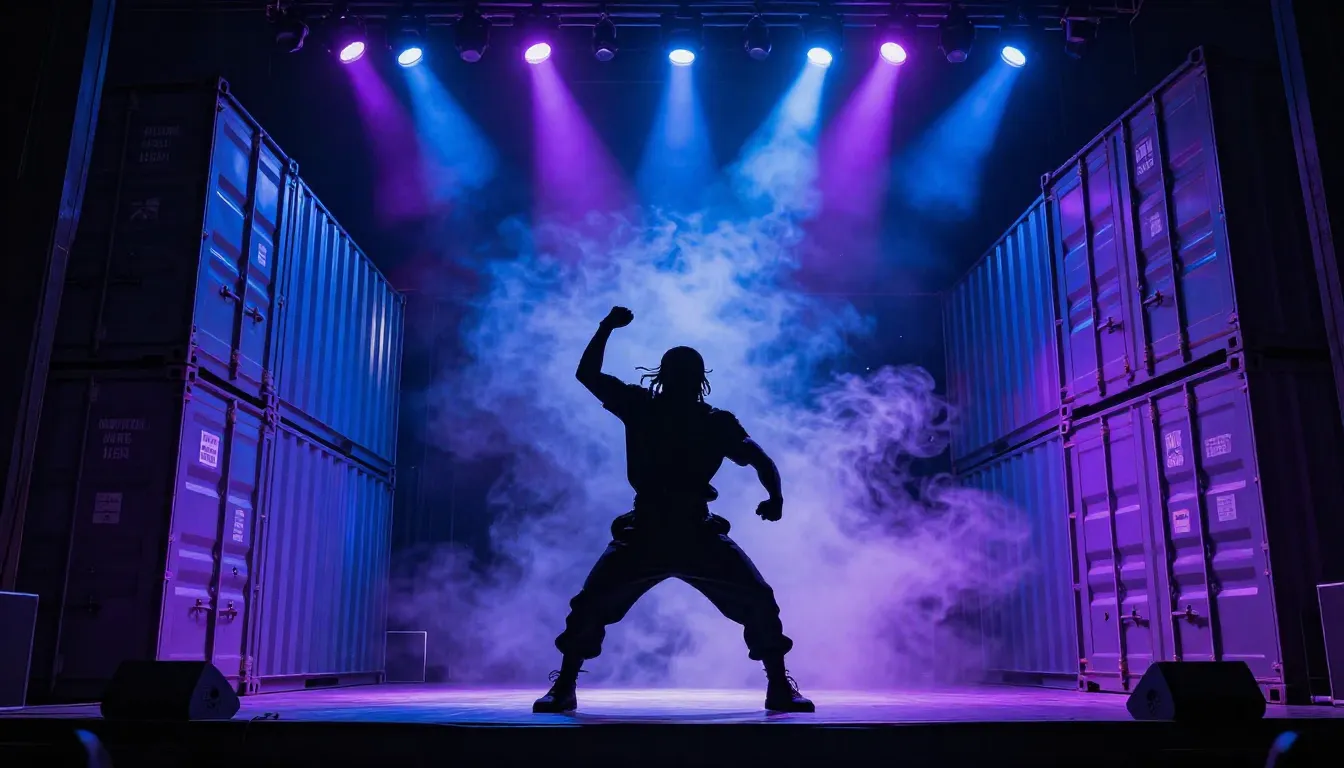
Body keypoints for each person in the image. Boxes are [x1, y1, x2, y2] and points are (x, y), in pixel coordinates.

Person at [532, 306, 814, 714]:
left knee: (758, 599)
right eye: (678, 373)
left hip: (694, 530)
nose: (682, 380)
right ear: (673, 377)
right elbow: (588, 375)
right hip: (648, 530)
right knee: (590, 604)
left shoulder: (709, 420)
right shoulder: (643, 405)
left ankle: (778, 686)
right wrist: (774, 497)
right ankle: (564, 686)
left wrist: (776, 496)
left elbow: (759, 458)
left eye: (687, 373)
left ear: (691, 379)